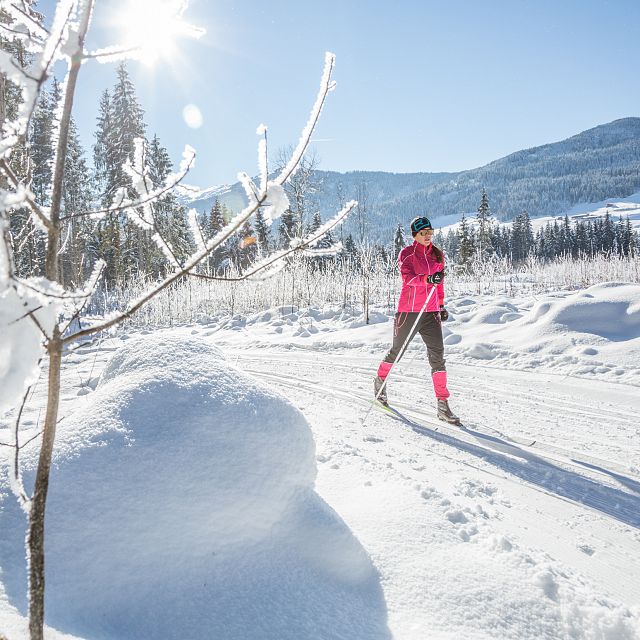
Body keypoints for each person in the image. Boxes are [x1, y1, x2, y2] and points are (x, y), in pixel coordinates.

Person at [374, 215, 460, 424]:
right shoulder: (407, 254)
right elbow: (408, 279)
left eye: (430, 232)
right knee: (398, 351)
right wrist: (426, 279)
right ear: (415, 235)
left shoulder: (437, 255)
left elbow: (439, 285)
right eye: (423, 233)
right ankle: (380, 383)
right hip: (409, 311)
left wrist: (440, 306)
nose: (428, 236)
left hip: (430, 313)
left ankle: (442, 404)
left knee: (437, 356)